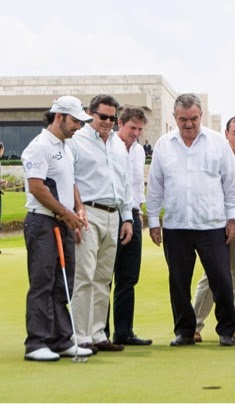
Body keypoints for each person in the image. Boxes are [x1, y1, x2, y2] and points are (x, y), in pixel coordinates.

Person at [146, 93, 235, 347]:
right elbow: (155, 186)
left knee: (221, 279)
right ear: (175, 118)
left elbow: (231, 183)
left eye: (194, 118)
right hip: (176, 226)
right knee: (178, 282)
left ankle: (226, 330)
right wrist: (153, 221)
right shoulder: (164, 144)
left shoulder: (217, 142)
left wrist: (233, 219)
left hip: (212, 224)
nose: (189, 124)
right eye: (183, 119)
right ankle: (185, 331)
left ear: (200, 116)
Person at [21, 96, 94, 361]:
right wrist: (65, 214)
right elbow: (37, 187)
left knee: (64, 282)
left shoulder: (67, 146)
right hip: (42, 222)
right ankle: (36, 342)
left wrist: (78, 209)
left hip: (61, 221)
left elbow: (70, 182)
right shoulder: (39, 146)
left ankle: (61, 339)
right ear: (59, 116)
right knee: (43, 283)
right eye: (75, 121)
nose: (78, 127)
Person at [68, 94, 134, 354]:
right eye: (103, 116)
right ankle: (80, 336)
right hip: (88, 212)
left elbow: (125, 183)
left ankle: (97, 334)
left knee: (104, 278)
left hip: (113, 213)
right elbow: (69, 178)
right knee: (84, 275)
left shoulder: (117, 144)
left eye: (112, 118)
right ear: (89, 113)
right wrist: (76, 211)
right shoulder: (76, 141)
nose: (108, 122)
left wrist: (127, 217)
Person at [192, 116, 235, 343]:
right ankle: (194, 324)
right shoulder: (216, 155)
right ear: (226, 134)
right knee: (211, 277)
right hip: (218, 225)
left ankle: (234, 324)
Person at [109, 106, 152, 346]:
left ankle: (124, 332)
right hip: (111, 215)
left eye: (139, 129)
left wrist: (140, 212)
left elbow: (137, 184)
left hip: (133, 215)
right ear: (120, 124)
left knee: (128, 277)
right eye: (132, 128)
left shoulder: (137, 151)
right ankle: (99, 334)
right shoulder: (109, 145)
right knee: (105, 276)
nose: (135, 133)